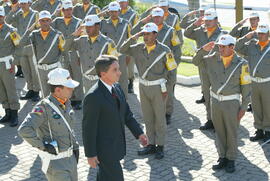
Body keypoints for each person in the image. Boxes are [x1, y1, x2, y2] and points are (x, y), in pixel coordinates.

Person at [82, 55, 148, 181]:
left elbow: (127, 114)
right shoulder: (93, 96)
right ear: (103, 74)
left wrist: (139, 133)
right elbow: (88, 128)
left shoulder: (117, 88)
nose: (120, 72)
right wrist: (90, 154)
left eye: (118, 69)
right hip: (105, 150)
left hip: (116, 146)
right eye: (115, 70)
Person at [193, 34, 251, 173]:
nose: (221, 49)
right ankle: (222, 157)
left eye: (224, 47)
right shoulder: (212, 59)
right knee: (219, 131)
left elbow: (247, 88)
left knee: (231, 132)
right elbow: (195, 61)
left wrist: (243, 107)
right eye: (219, 46)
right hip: (215, 102)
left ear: (232, 47)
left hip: (231, 103)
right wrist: (203, 49)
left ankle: (231, 159)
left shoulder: (242, 64)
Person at [120, 22, 177, 159]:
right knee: (147, 117)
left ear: (155, 34)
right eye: (144, 34)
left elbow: (172, 72)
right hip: (143, 87)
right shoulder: (138, 48)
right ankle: (151, 144)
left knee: (159, 118)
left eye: (148, 34)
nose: (145, 36)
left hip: (159, 88)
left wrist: (167, 90)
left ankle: (160, 146)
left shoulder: (165, 50)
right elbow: (122, 49)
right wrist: (134, 37)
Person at [18, 68, 80, 181]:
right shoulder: (43, 107)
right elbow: (24, 130)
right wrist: (43, 146)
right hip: (56, 163)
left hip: (71, 160)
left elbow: (69, 129)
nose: (72, 89)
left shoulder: (66, 102)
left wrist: (75, 147)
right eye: (69, 87)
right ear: (58, 90)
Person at [132, 7, 181, 124]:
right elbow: (133, 33)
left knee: (167, 90)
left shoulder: (170, 31)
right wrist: (143, 21)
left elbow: (177, 48)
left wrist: (174, 64)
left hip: (167, 64)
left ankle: (167, 113)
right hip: (152, 65)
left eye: (159, 17)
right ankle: (155, 112)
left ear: (163, 17)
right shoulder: (147, 28)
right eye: (154, 17)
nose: (157, 19)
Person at [185, 9, 226, 130]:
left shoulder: (223, 34)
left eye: (210, 20)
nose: (207, 22)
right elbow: (186, 33)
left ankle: (221, 120)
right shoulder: (199, 32)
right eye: (206, 20)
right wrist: (195, 23)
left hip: (218, 70)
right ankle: (210, 120)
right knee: (207, 95)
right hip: (204, 68)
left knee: (219, 95)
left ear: (216, 20)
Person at [65, 14, 118, 93]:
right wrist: (74, 34)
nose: (87, 29)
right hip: (86, 82)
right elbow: (66, 47)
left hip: (102, 81)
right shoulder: (81, 40)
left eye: (90, 26)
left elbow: (115, 64)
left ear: (97, 26)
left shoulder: (108, 42)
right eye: (86, 27)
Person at [235, 24, 270, 142]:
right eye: (259, 33)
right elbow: (237, 47)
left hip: (267, 83)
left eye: (263, 33)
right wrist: (246, 37)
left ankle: (268, 131)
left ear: (268, 34)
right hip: (253, 82)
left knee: (267, 107)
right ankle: (259, 130)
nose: (261, 35)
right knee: (256, 107)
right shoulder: (251, 46)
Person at [19, 10, 65, 97]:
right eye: (42, 21)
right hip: (41, 70)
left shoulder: (58, 34)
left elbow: (64, 51)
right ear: (39, 22)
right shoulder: (34, 34)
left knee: (57, 94)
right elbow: (21, 43)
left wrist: (64, 70)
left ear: (51, 21)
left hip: (54, 68)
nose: (45, 23)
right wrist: (31, 28)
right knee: (45, 95)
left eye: (47, 20)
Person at [6, 0, 41, 101]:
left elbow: (39, 28)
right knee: (26, 70)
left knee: (34, 71)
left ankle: (36, 92)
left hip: (31, 45)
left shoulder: (35, 14)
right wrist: (12, 11)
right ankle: (30, 90)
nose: (22, 5)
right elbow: (7, 22)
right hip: (20, 46)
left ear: (29, 3)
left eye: (24, 3)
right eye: (21, 3)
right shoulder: (18, 14)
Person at [51, 0, 83, 110]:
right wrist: (55, 13)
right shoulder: (57, 21)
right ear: (62, 10)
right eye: (66, 9)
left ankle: (78, 99)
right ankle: (67, 97)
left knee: (77, 75)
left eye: (70, 9)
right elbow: (46, 25)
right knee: (65, 77)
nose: (69, 11)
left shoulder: (78, 22)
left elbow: (81, 38)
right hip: (62, 53)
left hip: (74, 52)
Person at [100, 1, 132, 97]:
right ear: (108, 12)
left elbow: (131, 40)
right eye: (111, 11)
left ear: (119, 11)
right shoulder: (103, 23)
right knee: (108, 77)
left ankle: (123, 98)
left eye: (116, 11)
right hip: (108, 57)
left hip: (121, 56)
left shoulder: (126, 24)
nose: (114, 13)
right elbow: (100, 40)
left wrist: (129, 55)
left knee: (122, 78)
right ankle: (109, 98)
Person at [0, 5, 20, 127]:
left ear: (4, 16)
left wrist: (14, 62)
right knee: (1, 90)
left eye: (0, 16)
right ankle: (7, 112)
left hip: (7, 64)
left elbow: (18, 47)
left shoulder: (12, 30)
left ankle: (14, 114)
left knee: (10, 88)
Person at [118, 0, 139, 93]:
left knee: (129, 66)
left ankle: (130, 82)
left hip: (129, 44)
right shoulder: (115, 12)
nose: (121, 4)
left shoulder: (133, 15)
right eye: (120, 2)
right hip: (116, 44)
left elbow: (136, 30)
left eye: (123, 2)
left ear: (128, 2)